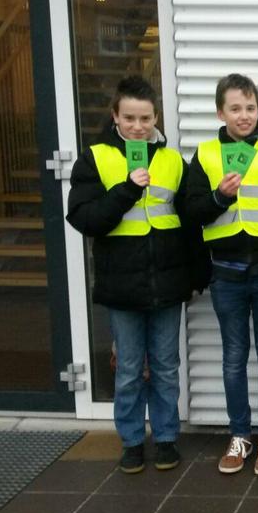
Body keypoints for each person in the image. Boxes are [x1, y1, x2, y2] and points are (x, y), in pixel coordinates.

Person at [66, 76, 206, 474]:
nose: (138, 126)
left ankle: (165, 438)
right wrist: (127, 189)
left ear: (156, 116)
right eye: (129, 118)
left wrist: (197, 275)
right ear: (115, 116)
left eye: (145, 118)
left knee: (165, 365)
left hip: (167, 282)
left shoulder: (173, 160)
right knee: (128, 369)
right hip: (121, 284)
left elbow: (189, 224)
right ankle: (130, 440)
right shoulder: (95, 158)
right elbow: (86, 219)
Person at [184, 73, 258, 476]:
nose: (245, 115)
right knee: (233, 358)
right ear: (221, 112)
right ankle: (239, 434)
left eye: (251, 108)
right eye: (236, 108)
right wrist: (219, 196)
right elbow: (191, 212)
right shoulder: (204, 154)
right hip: (227, 274)